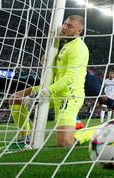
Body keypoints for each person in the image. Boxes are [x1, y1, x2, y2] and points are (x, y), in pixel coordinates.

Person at [9, 15, 89, 148]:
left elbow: (69, 78)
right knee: (16, 98)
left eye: (70, 26)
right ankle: (25, 138)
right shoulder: (63, 44)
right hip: (54, 91)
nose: (64, 27)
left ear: (79, 31)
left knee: (64, 143)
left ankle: (100, 130)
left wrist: (44, 92)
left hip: (69, 96)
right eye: (65, 23)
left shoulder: (78, 48)